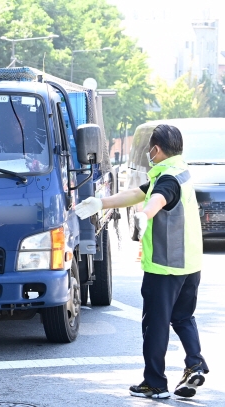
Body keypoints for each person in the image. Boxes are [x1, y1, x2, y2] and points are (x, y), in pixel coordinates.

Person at [76, 124, 208, 399]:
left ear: (156, 150)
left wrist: (144, 217)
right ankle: (194, 363)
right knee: (183, 317)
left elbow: (156, 200)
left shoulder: (168, 180)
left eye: (150, 148)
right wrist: (102, 203)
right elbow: (141, 193)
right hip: (190, 264)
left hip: (165, 266)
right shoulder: (177, 171)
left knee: (155, 325)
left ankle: (155, 383)